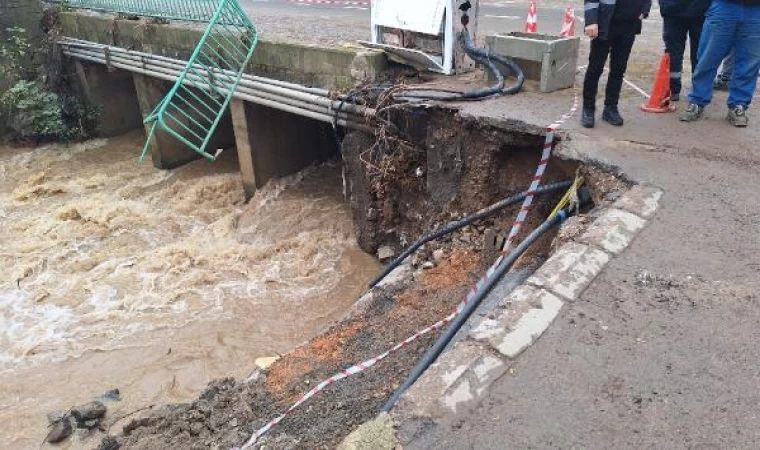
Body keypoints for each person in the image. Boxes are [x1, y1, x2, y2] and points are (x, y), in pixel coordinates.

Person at [680, 0, 760, 127]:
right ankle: (697, 101)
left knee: (749, 63)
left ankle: (738, 106)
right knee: (707, 58)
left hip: (756, 10)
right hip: (724, 6)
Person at [581, 0, 652, 128]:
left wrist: (644, 10)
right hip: (605, 22)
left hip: (629, 25)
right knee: (595, 68)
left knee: (619, 69)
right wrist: (591, 20)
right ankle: (588, 109)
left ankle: (610, 108)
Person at [659, 0, 711, 102]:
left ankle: (675, 90)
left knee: (697, 52)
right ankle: (697, 89)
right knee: (699, 52)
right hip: (695, 10)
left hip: (681, 10)